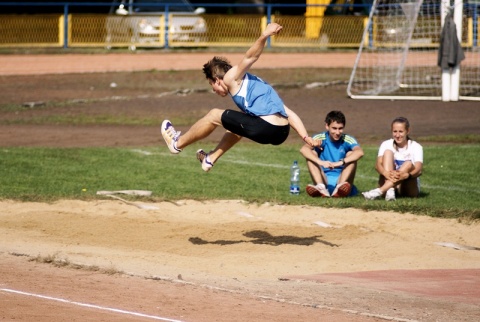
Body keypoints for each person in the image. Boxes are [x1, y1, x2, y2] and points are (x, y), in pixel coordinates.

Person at [161, 23, 315, 171]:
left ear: (217, 80)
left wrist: (264, 35)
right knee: (237, 125)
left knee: (214, 114)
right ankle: (211, 158)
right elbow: (289, 113)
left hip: (265, 128)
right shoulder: (256, 84)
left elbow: (250, 57)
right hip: (281, 133)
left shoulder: (231, 77)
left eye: (211, 85)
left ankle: (177, 143)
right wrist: (305, 137)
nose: (214, 90)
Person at [300, 110, 364, 198]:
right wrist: (321, 162)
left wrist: (339, 163)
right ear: (327, 126)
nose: (337, 132)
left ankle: (339, 190)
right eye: (334, 128)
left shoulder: (347, 139)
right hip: (324, 179)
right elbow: (303, 150)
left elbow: (360, 152)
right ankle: (321, 188)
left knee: (351, 155)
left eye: (340, 128)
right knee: (312, 154)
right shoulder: (320, 138)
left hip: (342, 180)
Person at [362, 117, 423, 201]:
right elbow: (378, 165)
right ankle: (390, 190)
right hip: (388, 181)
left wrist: (407, 175)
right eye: (395, 131)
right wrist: (385, 173)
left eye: (401, 131)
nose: (397, 135)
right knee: (387, 152)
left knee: (408, 164)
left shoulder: (416, 146)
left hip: (407, 186)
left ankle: (379, 191)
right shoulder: (386, 144)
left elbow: (418, 169)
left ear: (407, 131)